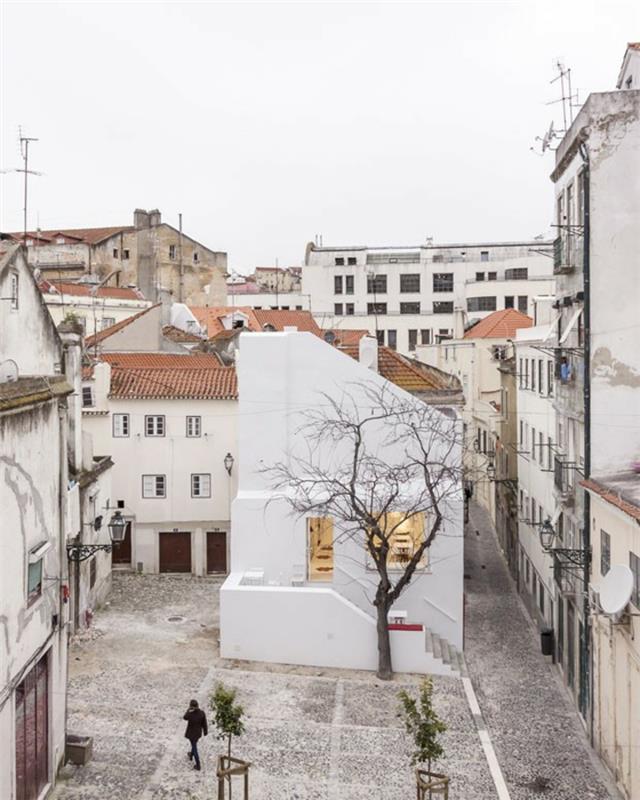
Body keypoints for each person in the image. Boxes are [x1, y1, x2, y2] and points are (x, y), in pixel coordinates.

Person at [183, 699, 208, 771]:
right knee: (194, 745)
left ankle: (198, 764)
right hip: (198, 734)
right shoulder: (202, 713)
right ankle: (191, 754)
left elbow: (184, 717)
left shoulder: (190, 714)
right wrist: (205, 732)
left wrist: (188, 710)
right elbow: (204, 724)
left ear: (191, 707)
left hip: (191, 734)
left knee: (194, 747)